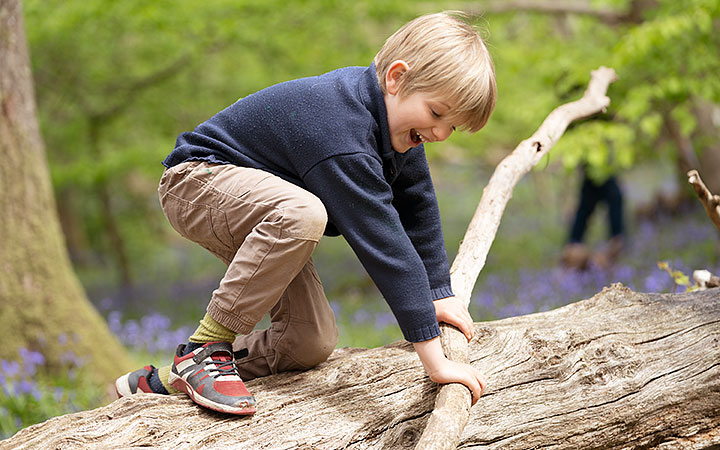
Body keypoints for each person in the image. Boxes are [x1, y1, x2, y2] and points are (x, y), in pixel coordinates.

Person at [115, 11, 497, 415]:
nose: (439, 134)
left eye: (451, 128)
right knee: (304, 213)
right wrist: (436, 362)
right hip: (197, 181)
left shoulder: (397, 132)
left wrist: (438, 292)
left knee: (309, 341)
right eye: (437, 114)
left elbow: (418, 207)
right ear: (396, 78)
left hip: (262, 207)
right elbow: (384, 243)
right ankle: (204, 349)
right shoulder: (341, 128)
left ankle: (158, 382)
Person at [561, 166, 625, 270]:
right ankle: (573, 248)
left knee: (610, 198)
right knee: (589, 204)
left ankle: (574, 245)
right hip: (596, 165)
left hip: (601, 165)